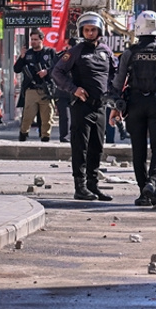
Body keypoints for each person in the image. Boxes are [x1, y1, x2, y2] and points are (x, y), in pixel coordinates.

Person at [111, 11, 156, 208]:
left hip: (134, 104)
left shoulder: (129, 53)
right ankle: (152, 183)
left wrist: (115, 107)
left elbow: (118, 82)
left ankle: (144, 191)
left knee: (138, 149)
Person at [52, 13, 117, 202]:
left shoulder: (106, 51)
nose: (90, 33)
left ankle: (92, 185)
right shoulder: (75, 51)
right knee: (80, 147)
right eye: (87, 30)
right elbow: (57, 72)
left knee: (97, 147)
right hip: (81, 106)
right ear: (82, 31)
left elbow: (116, 74)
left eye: (93, 30)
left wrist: (114, 96)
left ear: (99, 31)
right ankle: (79, 187)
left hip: (101, 107)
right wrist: (74, 89)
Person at [14, 30, 58, 142]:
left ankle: (45, 138)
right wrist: (22, 57)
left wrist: (47, 72)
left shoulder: (50, 52)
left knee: (47, 118)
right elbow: (17, 69)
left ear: (41, 40)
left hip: (46, 90)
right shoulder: (28, 54)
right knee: (27, 116)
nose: (33, 42)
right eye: (32, 40)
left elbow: (58, 68)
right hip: (31, 90)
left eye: (35, 40)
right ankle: (23, 135)